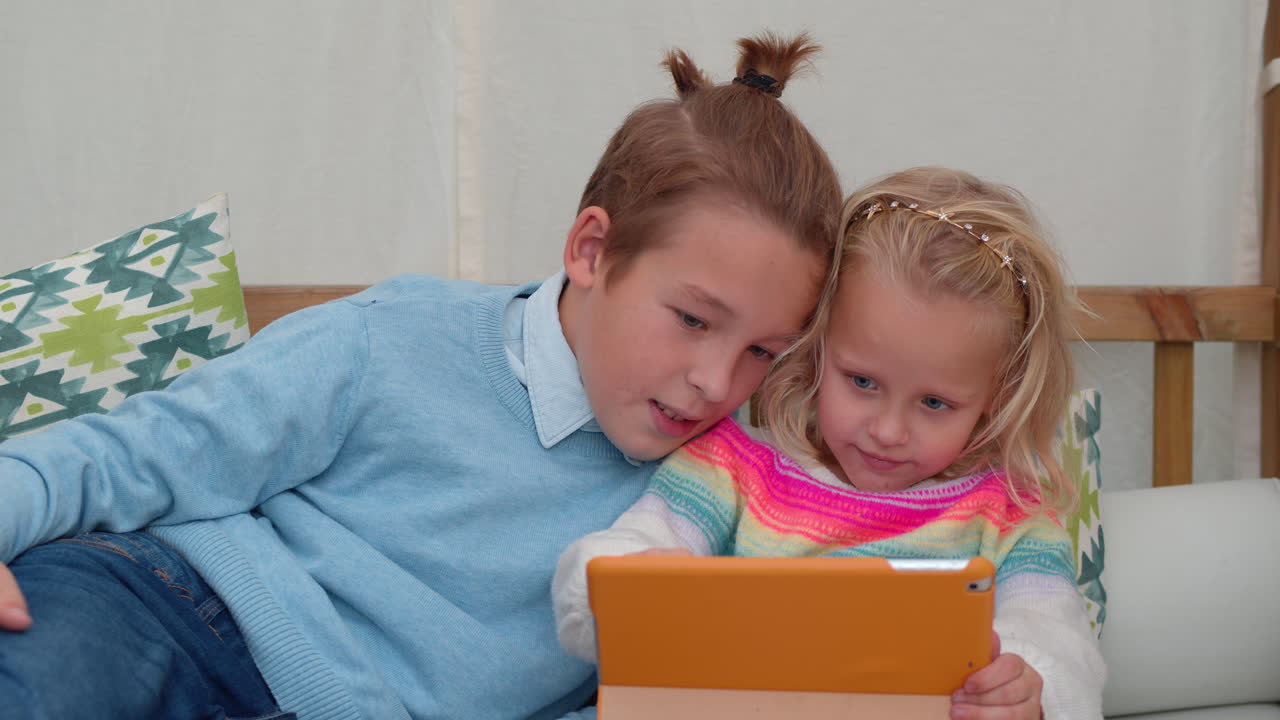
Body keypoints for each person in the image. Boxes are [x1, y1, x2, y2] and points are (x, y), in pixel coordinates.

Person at [0, 33, 842, 720]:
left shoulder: (723, 490)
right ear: (593, 251)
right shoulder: (394, 338)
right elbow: (140, 450)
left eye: (764, 351)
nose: (712, 381)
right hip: (176, 608)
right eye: (693, 320)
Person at [553, 167, 1107, 719]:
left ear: (995, 395)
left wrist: (1029, 690)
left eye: (935, 404)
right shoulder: (733, 467)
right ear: (816, 350)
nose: (887, 431)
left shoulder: (1010, 516)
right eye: (862, 382)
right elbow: (629, 550)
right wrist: (621, 594)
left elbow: (1059, 645)